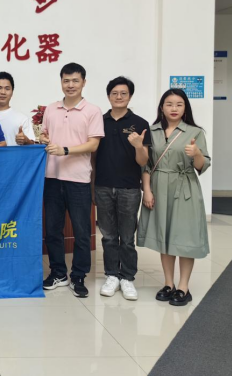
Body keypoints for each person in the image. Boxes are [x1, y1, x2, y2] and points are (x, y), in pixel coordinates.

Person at [138, 88, 211, 307]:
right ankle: (168, 284)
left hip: (185, 187)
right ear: (162, 107)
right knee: (165, 235)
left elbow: (202, 166)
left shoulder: (195, 132)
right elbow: (146, 165)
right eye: (169, 104)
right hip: (158, 186)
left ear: (185, 108)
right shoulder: (152, 131)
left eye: (179, 104)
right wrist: (147, 190)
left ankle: (183, 287)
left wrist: (196, 154)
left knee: (185, 238)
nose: (174, 108)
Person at [41, 63, 104, 298]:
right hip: (52, 177)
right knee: (52, 230)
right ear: (61, 82)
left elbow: (93, 144)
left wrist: (65, 150)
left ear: (83, 83)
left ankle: (78, 275)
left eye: (75, 81)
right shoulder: (51, 109)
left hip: (78, 180)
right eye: (66, 81)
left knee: (81, 231)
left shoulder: (92, 111)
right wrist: (43, 138)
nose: (70, 85)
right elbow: (45, 134)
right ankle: (58, 272)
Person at [94, 77, 150, 301]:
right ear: (108, 96)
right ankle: (111, 276)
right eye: (114, 93)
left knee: (127, 237)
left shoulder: (140, 123)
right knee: (108, 236)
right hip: (103, 186)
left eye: (123, 93)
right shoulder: (99, 122)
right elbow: (93, 157)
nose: (119, 97)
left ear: (130, 96)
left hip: (129, 188)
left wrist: (138, 146)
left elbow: (143, 161)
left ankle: (127, 278)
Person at [0, 71, 37, 146]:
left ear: (12, 92)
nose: (3, 92)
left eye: (7, 88)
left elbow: (32, 146)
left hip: (15, 154)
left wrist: (25, 140)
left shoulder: (22, 119)